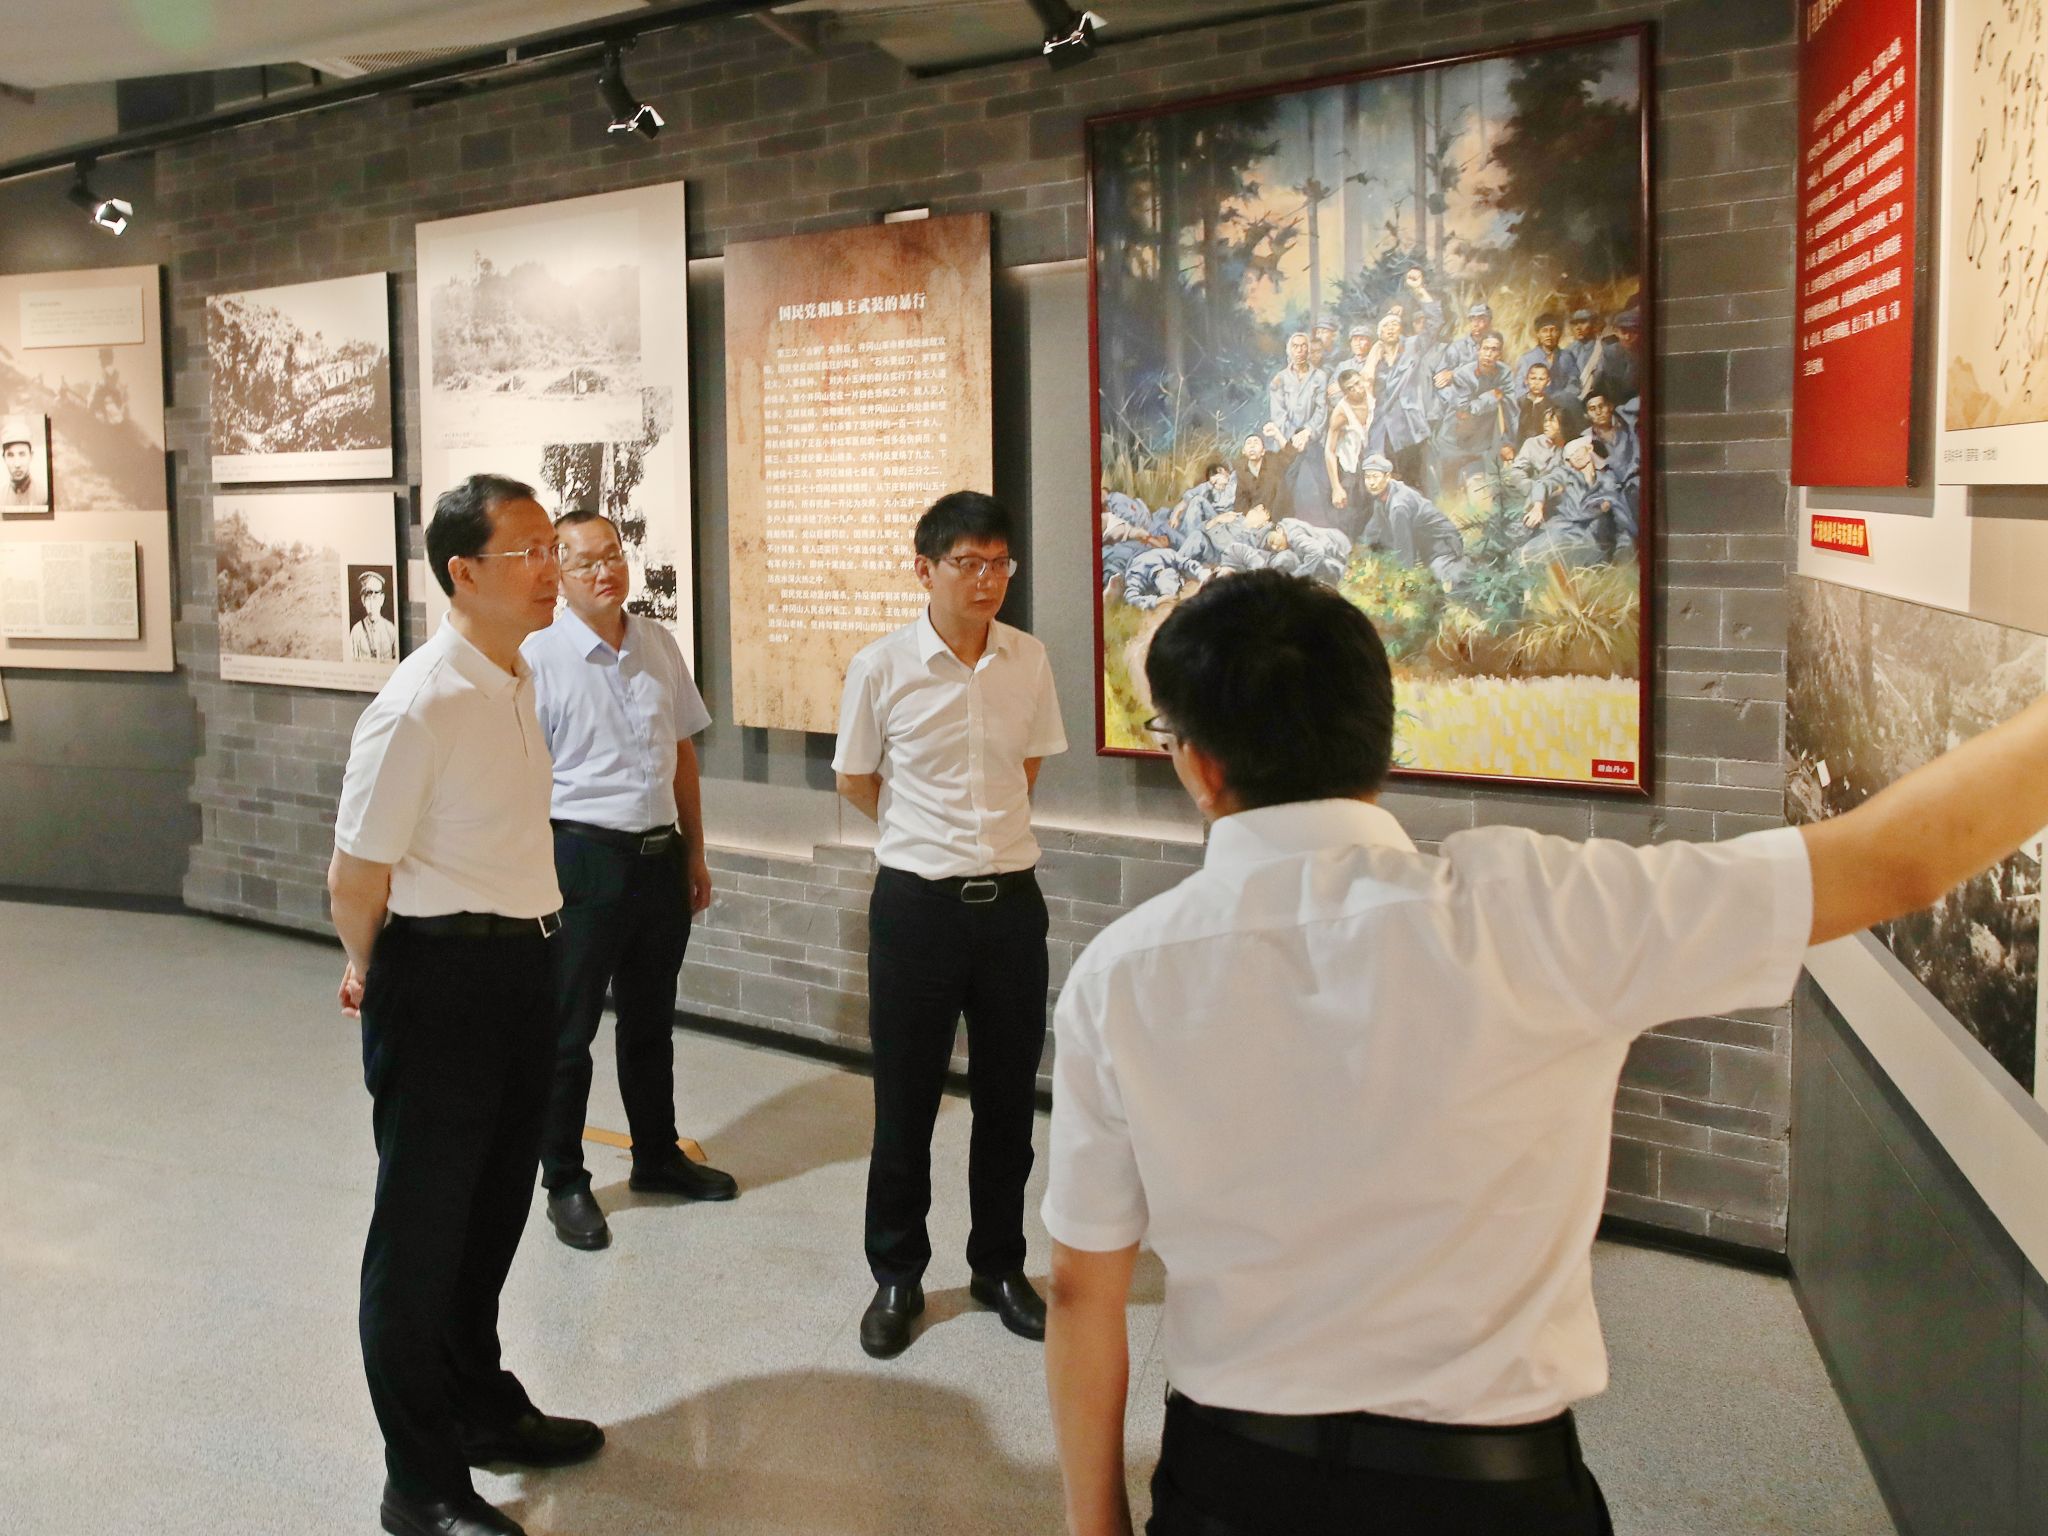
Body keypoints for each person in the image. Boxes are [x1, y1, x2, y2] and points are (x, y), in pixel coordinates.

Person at [1042, 568, 2048, 1536]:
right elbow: (1896, 861)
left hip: (1233, 1482)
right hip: (1492, 1495)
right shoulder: (1540, 908)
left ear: (1199, 764)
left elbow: (1086, 1290)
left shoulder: (1121, 973)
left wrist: (1095, 1526)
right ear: (1378, 738)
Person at [328, 474, 601, 1536]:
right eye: (529, 552)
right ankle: (420, 1479)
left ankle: (480, 1405)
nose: (551, 569)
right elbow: (355, 877)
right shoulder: (418, 704)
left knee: (490, 1214)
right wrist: (375, 970)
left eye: (551, 549)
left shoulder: (517, 675)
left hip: (523, 968)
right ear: (463, 573)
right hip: (439, 980)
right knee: (419, 1238)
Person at [832, 490, 1068, 1360]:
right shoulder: (881, 666)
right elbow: (855, 778)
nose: (987, 580)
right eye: (968, 563)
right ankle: (897, 1273)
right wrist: (925, 835)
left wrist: (981, 838)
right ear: (924, 569)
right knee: (906, 1100)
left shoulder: (1028, 659)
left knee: (1008, 1101)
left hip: (1010, 904)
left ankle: (999, 1266)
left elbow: (1028, 764)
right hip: (917, 908)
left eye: (999, 563)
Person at [521, 508, 737, 1255]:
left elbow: (681, 754)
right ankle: (565, 1180)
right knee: (569, 1031)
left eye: (612, 554)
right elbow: (522, 779)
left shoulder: (657, 642)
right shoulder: (539, 657)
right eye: (585, 561)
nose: (605, 570)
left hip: (658, 858)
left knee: (650, 1021)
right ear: (557, 572)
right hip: (580, 859)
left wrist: (694, 852)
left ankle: (656, 1155)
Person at [1355, 454, 1467, 590]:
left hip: (1441, 546)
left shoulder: (1398, 506)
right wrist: (1358, 551)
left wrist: (1403, 579)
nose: (1371, 482)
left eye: (1375, 477)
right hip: (1423, 546)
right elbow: (1372, 530)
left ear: (1387, 476)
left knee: (1443, 584)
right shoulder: (1384, 495)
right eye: (1367, 477)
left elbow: (1404, 549)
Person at [349, 570, 400, 663]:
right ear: (363, 601)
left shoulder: (390, 630)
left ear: (382, 599)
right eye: (368, 598)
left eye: (375, 597)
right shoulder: (356, 631)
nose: (372, 603)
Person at [1, 417, 46, 510]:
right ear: (4, 458)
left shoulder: (44, 496)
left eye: (22, 454)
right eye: (10, 455)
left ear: (31, 456)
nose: (17, 464)